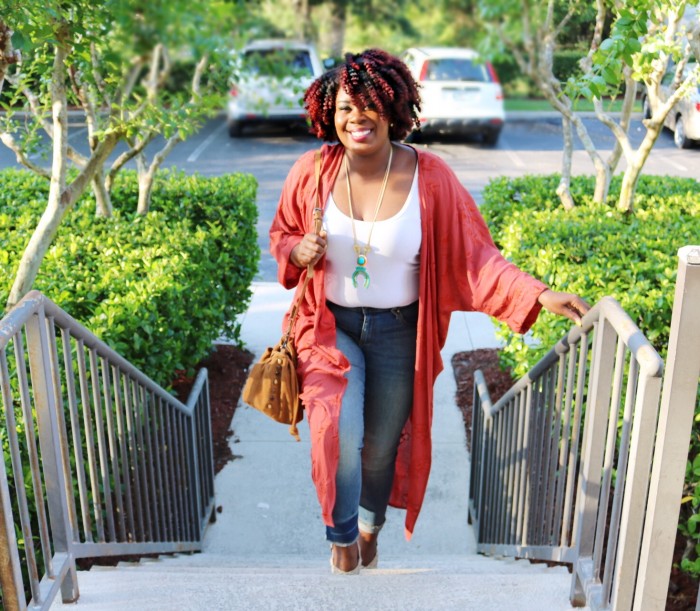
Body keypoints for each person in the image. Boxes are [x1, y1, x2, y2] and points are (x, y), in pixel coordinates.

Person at [269, 48, 590, 575]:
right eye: (346, 108)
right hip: (329, 327)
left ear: (393, 108)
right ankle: (343, 535)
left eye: (370, 105)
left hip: (400, 331)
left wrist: (538, 295)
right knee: (335, 432)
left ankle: (371, 525)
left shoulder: (430, 177)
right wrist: (296, 251)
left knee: (379, 447)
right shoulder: (313, 172)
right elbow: (283, 234)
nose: (357, 118)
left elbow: (475, 257)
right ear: (330, 112)